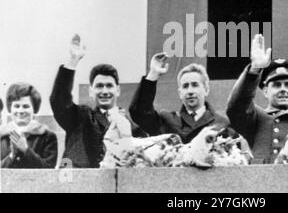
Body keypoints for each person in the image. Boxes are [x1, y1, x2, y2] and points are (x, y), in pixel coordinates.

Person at [49, 34, 144, 168]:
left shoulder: (132, 126)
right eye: (99, 86)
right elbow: (59, 102)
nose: (104, 91)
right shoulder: (81, 117)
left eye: (109, 86)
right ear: (90, 91)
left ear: (118, 90)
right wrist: (73, 60)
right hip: (81, 184)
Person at [226, 34, 288, 164]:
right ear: (265, 91)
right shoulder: (255, 120)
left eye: (287, 84)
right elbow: (236, 107)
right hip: (263, 182)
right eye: (276, 85)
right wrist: (254, 70)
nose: (283, 89)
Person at [129, 52, 231, 143]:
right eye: (185, 86)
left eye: (195, 85)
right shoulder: (167, 120)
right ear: (180, 93)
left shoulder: (223, 124)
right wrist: (153, 73)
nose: (190, 91)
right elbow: (139, 113)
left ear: (206, 90)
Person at [1, 83, 57, 168]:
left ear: (34, 109)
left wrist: (26, 150)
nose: (20, 111)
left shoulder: (47, 137)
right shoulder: (2, 136)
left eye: (26, 106)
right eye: (16, 106)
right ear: (10, 109)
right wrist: (12, 156)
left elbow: (49, 170)